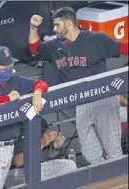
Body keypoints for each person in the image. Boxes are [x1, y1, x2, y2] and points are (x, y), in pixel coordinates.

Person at [28, 7, 128, 165]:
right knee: (91, 155)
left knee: (113, 151)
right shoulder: (54, 46)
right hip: (81, 106)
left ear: (68, 24)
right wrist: (33, 27)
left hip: (103, 101)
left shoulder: (96, 39)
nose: (54, 29)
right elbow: (34, 48)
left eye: (57, 25)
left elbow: (123, 48)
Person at [0, 46, 49, 189]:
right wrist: (8, 98)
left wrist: (37, 93)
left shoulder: (15, 80)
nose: (9, 67)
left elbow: (41, 83)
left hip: (10, 146)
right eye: (5, 65)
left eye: (10, 64)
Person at [5, 118, 77, 188]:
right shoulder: (16, 127)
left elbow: (49, 155)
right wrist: (41, 144)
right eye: (46, 132)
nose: (48, 132)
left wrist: (55, 147)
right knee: (35, 179)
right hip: (13, 175)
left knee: (70, 165)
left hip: (35, 169)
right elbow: (18, 161)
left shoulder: (38, 119)